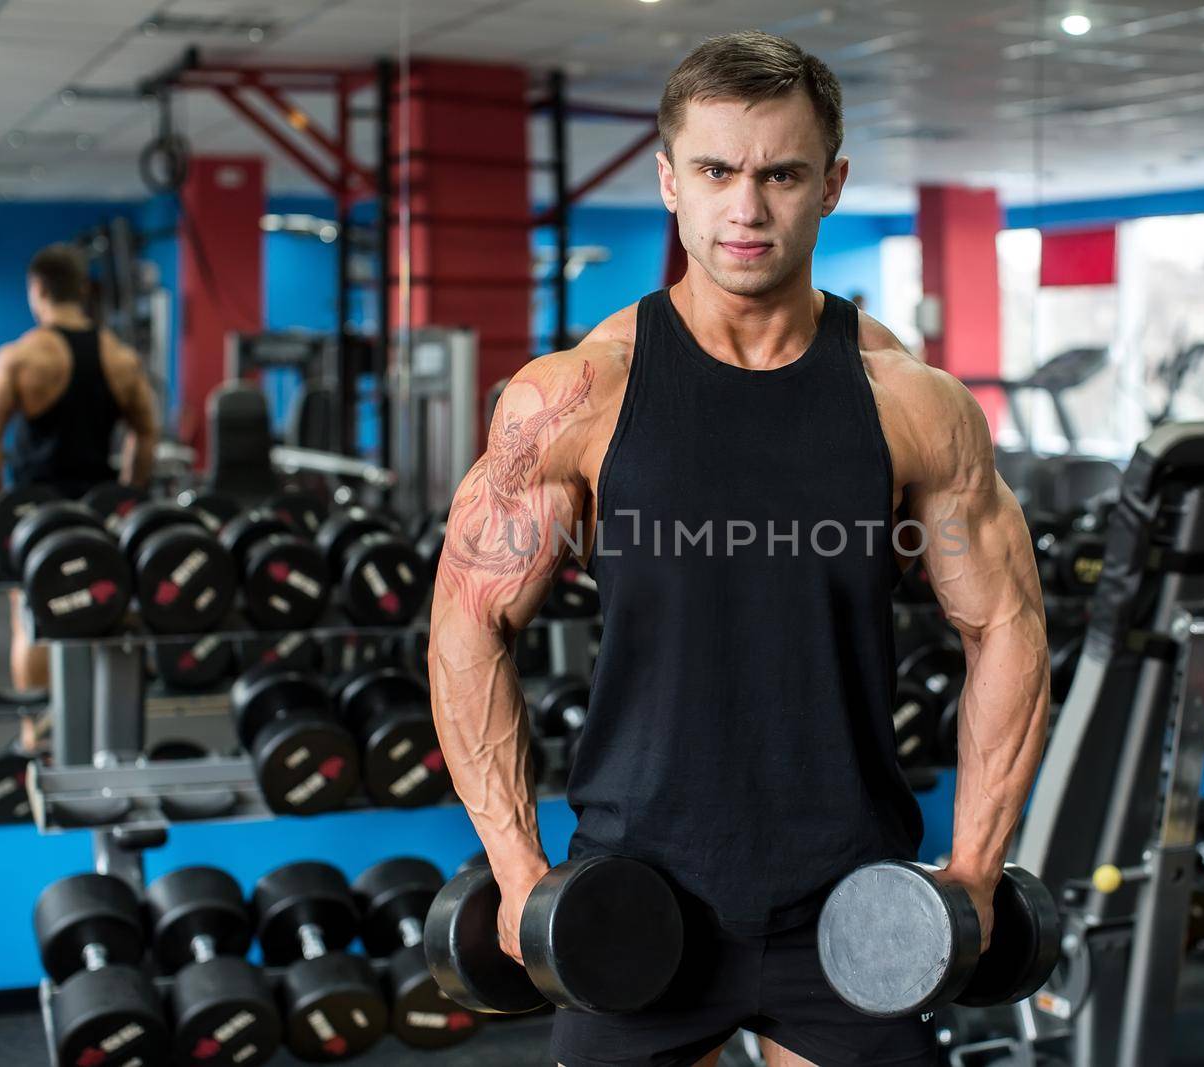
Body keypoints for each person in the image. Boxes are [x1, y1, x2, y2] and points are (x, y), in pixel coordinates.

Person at [429, 31, 1049, 1067]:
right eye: (716, 171)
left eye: (780, 173)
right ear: (670, 181)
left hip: (852, 901)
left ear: (832, 183)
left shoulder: (913, 405)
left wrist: (976, 868)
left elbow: (1007, 628)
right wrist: (516, 862)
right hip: (635, 896)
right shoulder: (577, 397)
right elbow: (467, 620)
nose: (746, 207)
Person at [0, 243, 159, 695]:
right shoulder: (122, 359)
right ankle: (97, 735)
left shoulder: (20, 357)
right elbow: (146, 435)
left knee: (33, 616)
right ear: (82, 291)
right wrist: (128, 494)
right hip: (96, 513)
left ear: (38, 291)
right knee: (99, 609)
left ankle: (40, 733)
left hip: (36, 514)